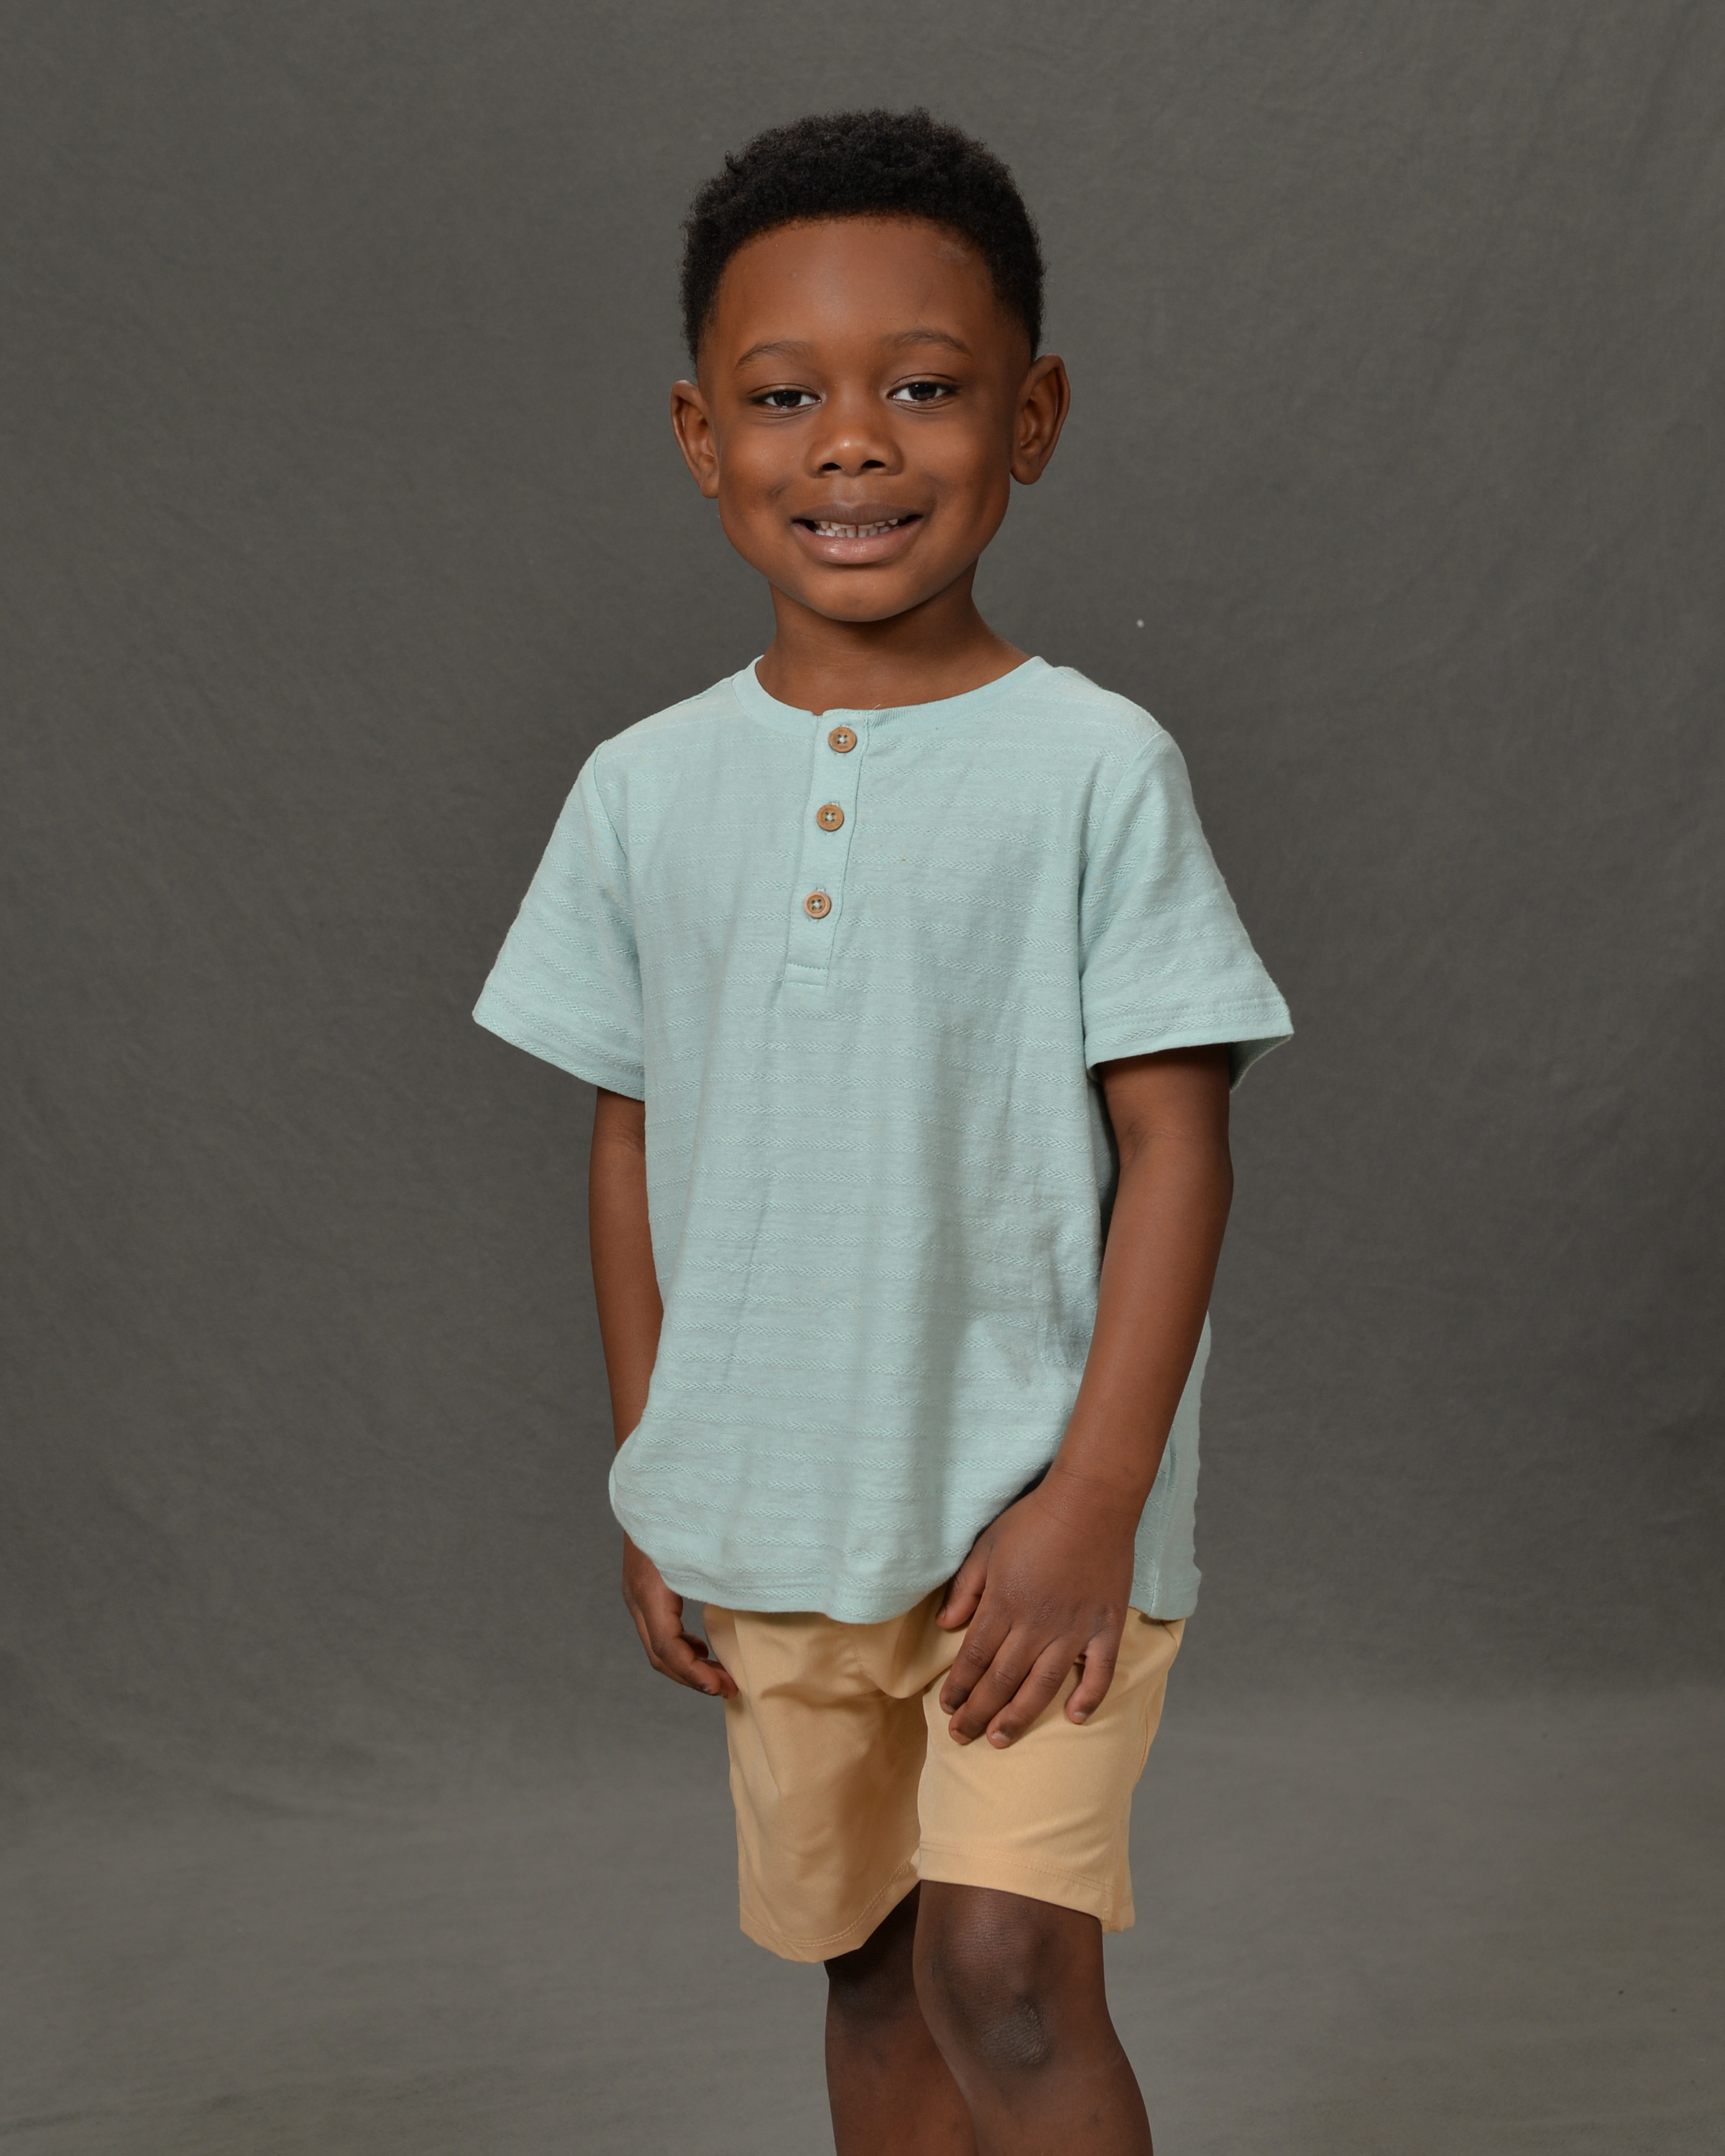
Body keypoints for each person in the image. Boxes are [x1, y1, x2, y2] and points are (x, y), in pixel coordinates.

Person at [475, 107, 1292, 2156]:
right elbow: (629, 1137)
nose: (852, 445)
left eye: (923, 389)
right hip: (775, 1514)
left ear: (1032, 419)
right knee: (870, 1965)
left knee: (1005, 1974)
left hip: (1035, 1527)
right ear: (701, 436)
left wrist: (1093, 1502)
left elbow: (1179, 1146)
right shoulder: (640, 790)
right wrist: (655, 1470)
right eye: (786, 399)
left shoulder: (1095, 768)